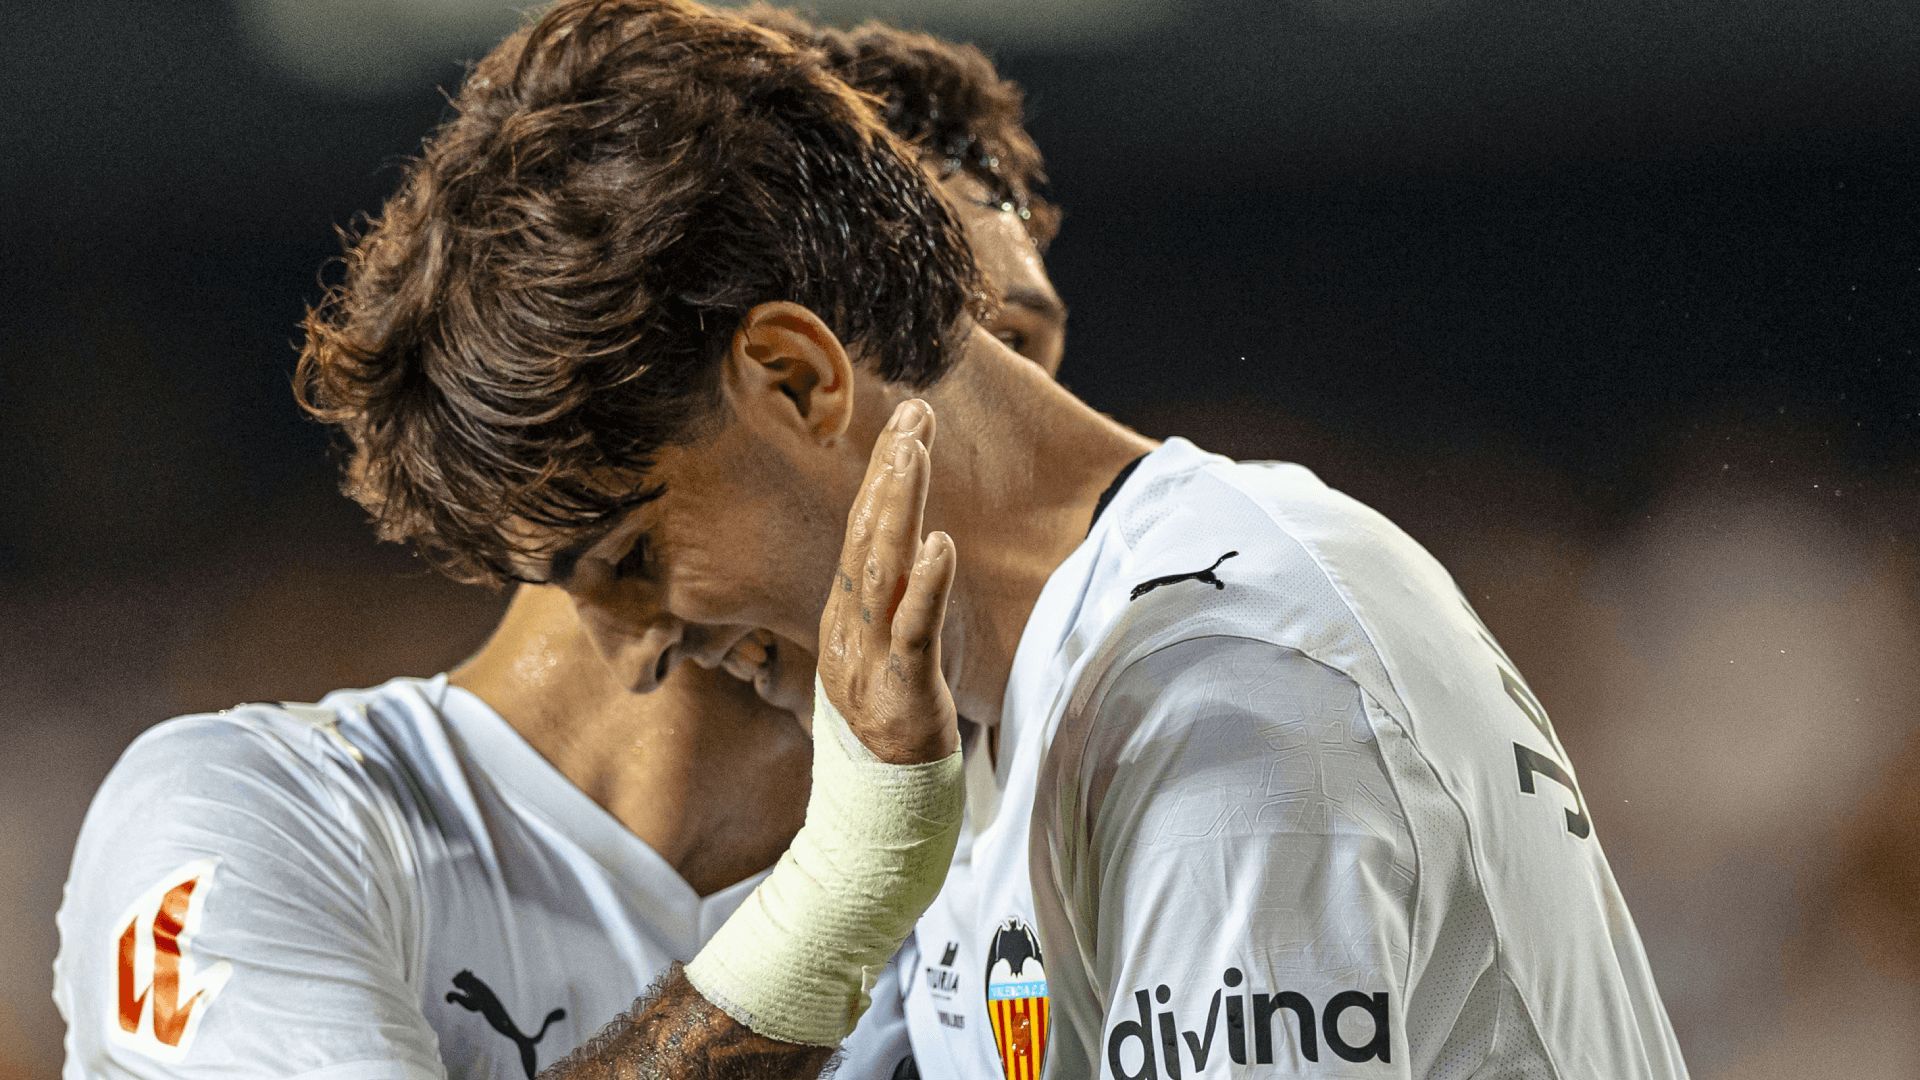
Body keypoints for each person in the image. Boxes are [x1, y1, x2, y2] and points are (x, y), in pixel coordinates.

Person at [290, 2, 1697, 1078]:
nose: (639, 646)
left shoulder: (1232, 684)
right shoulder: (987, 725)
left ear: (797, 380)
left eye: (633, 557)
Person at [53, 8, 1066, 1077]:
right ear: (790, 379)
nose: (1031, 435)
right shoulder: (257, 821)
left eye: (1027, 358)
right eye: (970, 363)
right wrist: (842, 901)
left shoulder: (1026, 835)